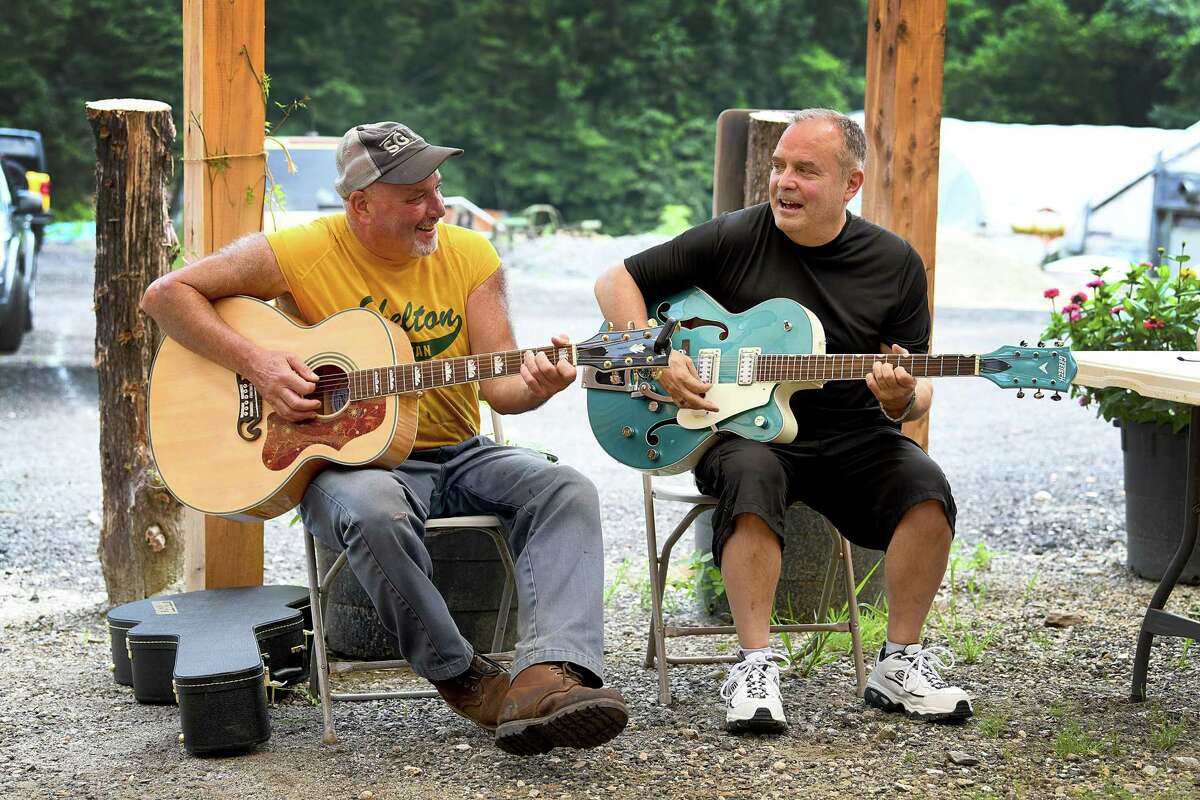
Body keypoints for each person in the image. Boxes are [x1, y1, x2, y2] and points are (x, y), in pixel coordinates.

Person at [141, 121, 628, 755]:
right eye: (415, 197)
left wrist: (541, 384)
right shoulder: (303, 251)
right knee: (375, 509)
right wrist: (259, 364)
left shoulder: (471, 257)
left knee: (565, 487)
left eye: (437, 189)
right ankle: (464, 677)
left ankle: (546, 678)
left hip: (460, 454)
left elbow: (503, 386)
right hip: (352, 468)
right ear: (360, 205)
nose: (436, 209)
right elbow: (165, 296)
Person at [594, 108, 970, 733]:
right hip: (739, 431)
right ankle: (753, 663)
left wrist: (901, 398)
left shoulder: (895, 263)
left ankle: (899, 662)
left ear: (851, 185)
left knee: (925, 491)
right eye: (778, 167)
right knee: (751, 475)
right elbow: (617, 281)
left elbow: (916, 384)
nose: (783, 182)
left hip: (854, 436)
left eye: (805, 171)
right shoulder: (734, 237)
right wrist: (655, 353)